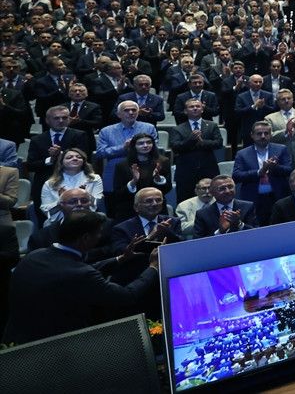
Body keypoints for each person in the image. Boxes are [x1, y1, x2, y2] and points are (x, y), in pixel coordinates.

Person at [3, 211, 160, 345]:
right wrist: (153, 267)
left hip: (16, 341)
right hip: (55, 347)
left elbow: (78, 271)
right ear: (85, 238)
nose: (100, 236)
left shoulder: (35, 255)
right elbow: (127, 296)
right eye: (98, 233)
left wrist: (121, 258)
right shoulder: (80, 274)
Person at [232, 120, 293, 225]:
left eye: (266, 133)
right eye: (259, 134)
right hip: (253, 198)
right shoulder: (242, 154)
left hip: (277, 196)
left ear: (271, 134)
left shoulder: (281, 149)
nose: (263, 136)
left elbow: (290, 170)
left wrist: (275, 168)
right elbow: (236, 176)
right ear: (252, 135)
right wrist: (259, 172)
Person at [108, 133, 173, 222]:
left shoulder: (163, 161)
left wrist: (158, 179)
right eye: (141, 143)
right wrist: (133, 182)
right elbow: (118, 193)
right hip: (130, 208)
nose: (145, 145)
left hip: (156, 207)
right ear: (134, 146)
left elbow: (168, 188)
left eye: (149, 142)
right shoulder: (122, 165)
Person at [168, 97, 223, 202]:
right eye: (191, 106)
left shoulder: (212, 125)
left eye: (198, 106)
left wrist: (202, 142)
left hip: (208, 169)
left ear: (202, 109)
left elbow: (219, 143)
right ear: (185, 111)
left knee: (213, 199)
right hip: (186, 171)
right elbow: (175, 147)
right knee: (185, 200)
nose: (195, 108)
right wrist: (190, 140)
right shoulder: (177, 128)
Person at [40, 147, 103, 221]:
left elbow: (99, 204)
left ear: (83, 161)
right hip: (60, 221)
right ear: (61, 162)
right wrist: (61, 200)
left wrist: (85, 195)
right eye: (69, 157)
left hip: (88, 218)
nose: (75, 159)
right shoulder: (50, 183)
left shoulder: (94, 178)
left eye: (79, 157)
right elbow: (46, 210)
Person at [193, 175, 258, 238]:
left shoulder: (247, 207)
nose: (227, 191)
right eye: (222, 188)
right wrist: (220, 231)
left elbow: (257, 233)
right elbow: (197, 241)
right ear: (212, 192)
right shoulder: (202, 214)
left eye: (230, 187)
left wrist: (239, 224)